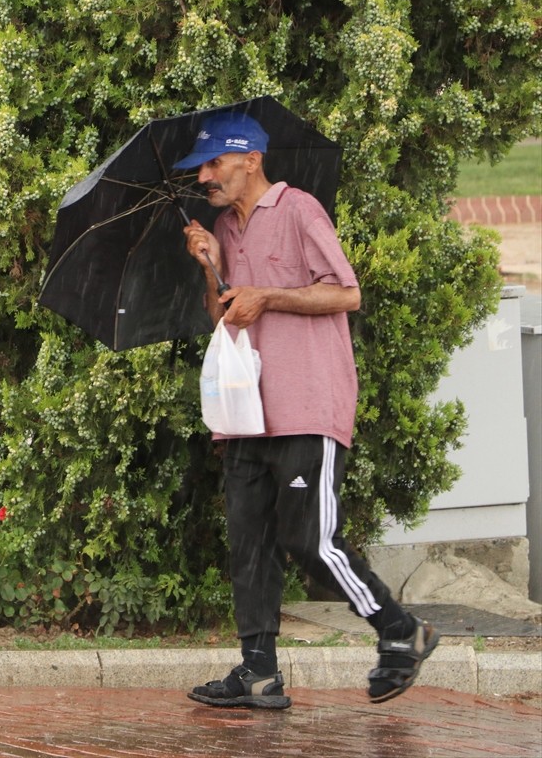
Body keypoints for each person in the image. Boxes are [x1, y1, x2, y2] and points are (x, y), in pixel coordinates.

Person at [177, 111, 438, 710]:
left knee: (311, 539)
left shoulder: (299, 210)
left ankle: (402, 632)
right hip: (246, 414)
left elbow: (346, 291)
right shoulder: (224, 227)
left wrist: (268, 295)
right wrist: (210, 265)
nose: (204, 178)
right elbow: (222, 318)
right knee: (248, 543)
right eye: (200, 169)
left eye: (214, 164)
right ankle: (260, 674)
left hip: (306, 405)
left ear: (251, 160)